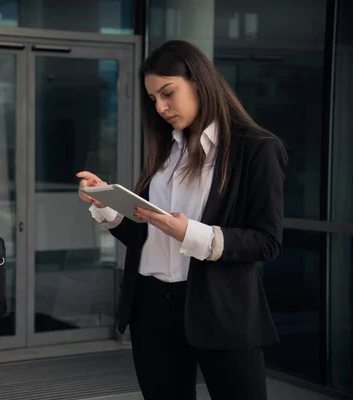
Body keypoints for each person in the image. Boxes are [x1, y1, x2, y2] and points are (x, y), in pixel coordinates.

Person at [77, 40, 287, 400]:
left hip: (222, 308)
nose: (160, 107)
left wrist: (190, 233)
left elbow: (266, 241)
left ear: (199, 81)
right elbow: (148, 238)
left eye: (168, 93)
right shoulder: (167, 151)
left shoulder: (257, 148)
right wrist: (108, 205)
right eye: (153, 99)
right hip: (151, 306)